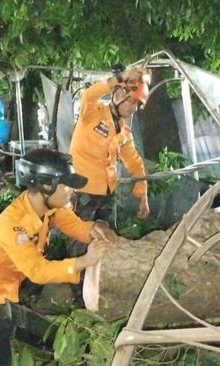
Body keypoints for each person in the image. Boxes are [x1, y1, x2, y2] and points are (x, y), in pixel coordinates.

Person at [0, 149, 117, 366]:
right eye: (66, 185)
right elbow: (37, 271)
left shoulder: (47, 207)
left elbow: (70, 222)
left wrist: (92, 230)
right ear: (46, 185)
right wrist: (84, 261)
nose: (71, 192)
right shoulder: (13, 224)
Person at [67, 67, 150, 306]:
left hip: (106, 193)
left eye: (136, 106)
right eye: (132, 104)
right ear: (119, 96)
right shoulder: (92, 113)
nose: (133, 110)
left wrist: (142, 196)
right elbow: (89, 95)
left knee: (105, 239)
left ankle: (100, 289)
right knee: (79, 241)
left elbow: (134, 161)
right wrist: (117, 79)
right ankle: (77, 297)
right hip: (83, 190)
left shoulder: (123, 130)